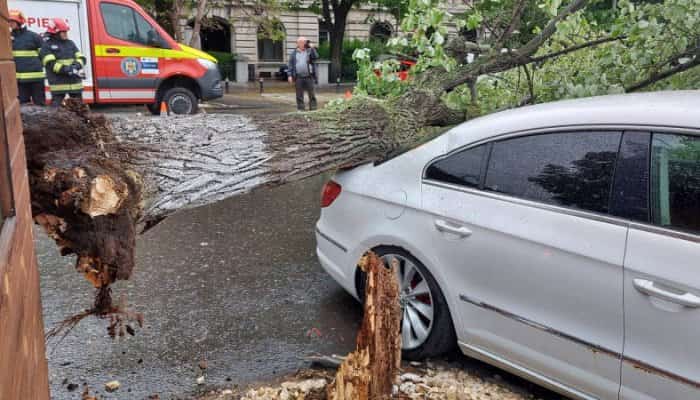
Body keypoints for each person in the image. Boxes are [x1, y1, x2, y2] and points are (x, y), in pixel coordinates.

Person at [39, 18, 85, 106]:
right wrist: (66, 69)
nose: (65, 34)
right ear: (55, 33)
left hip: (75, 83)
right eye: (63, 32)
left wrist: (76, 65)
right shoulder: (47, 46)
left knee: (79, 109)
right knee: (56, 111)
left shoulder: (70, 43)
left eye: (66, 32)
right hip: (58, 84)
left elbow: (81, 57)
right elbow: (50, 64)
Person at [9, 9, 46, 105]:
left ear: (19, 22)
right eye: (10, 22)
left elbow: (44, 55)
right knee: (23, 108)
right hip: (20, 81)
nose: (11, 24)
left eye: (13, 21)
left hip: (36, 80)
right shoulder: (8, 38)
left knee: (40, 105)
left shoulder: (34, 37)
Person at [287, 36, 318, 111]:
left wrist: (312, 48)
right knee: (299, 95)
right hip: (298, 77)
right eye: (303, 42)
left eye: (305, 42)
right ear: (298, 43)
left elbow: (316, 57)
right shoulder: (294, 53)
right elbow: (290, 65)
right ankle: (301, 109)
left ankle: (313, 109)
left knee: (312, 94)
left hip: (309, 76)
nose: (304, 44)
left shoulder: (309, 51)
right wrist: (289, 75)